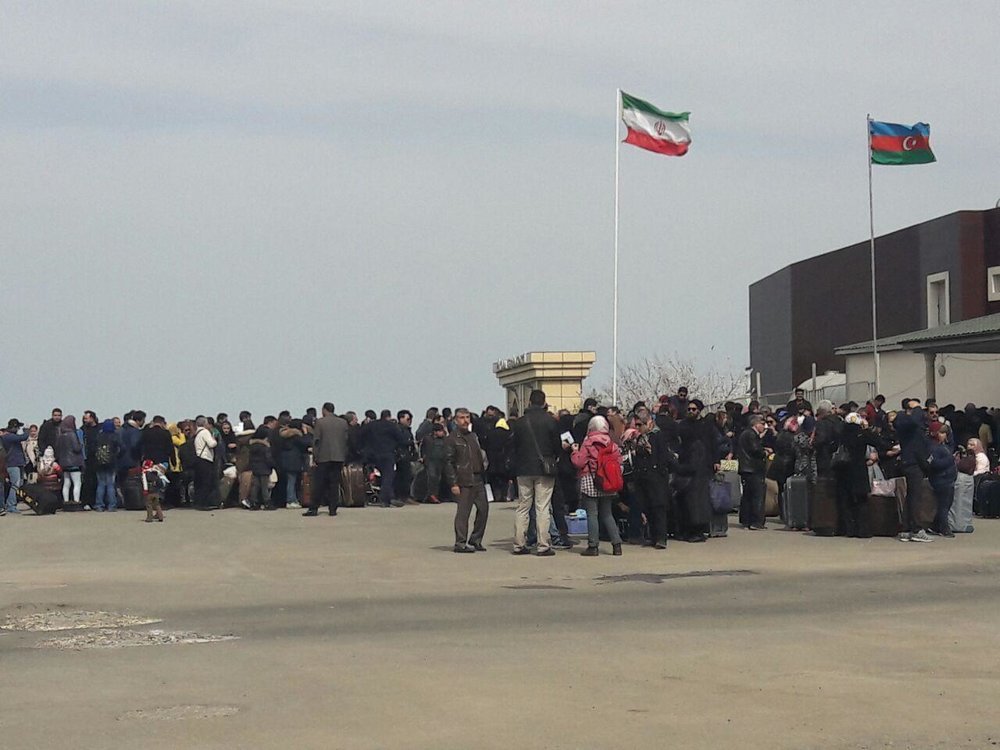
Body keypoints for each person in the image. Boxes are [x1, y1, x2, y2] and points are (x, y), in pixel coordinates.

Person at [510, 389, 561, 556]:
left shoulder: (520, 422)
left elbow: (514, 446)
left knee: (523, 506)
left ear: (530, 402)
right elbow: (557, 446)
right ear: (544, 403)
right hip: (544, 469)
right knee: (542, 507)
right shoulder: (550, 421)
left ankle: (519, 544)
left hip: (523, 468)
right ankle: (543, 545)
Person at [571, 415, 623, 556]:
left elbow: (579, 462)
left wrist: (574, 451)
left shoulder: (588, 442)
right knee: (607, 514)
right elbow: (619, 462)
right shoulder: (611, 443)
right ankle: (617, 545)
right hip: (607, 480)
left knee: (592, 514)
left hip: (591, 480)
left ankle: (593, 546)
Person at [625, 411, 676, 549]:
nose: (638, 428)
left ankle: (661, 538)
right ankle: (652, 536)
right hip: (643, 477)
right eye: (636, 425)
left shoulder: (658, 436)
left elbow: (663, 457)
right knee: (647, 507)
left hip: (656, 478)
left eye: (640, 425)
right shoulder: (640, 438)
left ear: (648, 423)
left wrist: (651, 453)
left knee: (658, 508)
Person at [444, 408, 489, 553]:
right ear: (456, 420)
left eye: (467, 417)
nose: (465, 420)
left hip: (478, 478)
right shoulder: (452, 439)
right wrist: (453, 483)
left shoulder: (473, 436)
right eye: (462, 418)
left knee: (483, 510)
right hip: (463, 480)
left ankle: (476, 539)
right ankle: (460, 542)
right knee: (463, 513)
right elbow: (448, 463)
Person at [894, 398, 933, 543]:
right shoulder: (906, 421)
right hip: (913, 462)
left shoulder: (910, 425)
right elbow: (913, 421)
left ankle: (906, 529)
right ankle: (916, 529)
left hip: (913, 462)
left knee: (911, 495)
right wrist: (916, 408)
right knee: (916, 496)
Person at [304, 402, 348, 517]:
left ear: (324, 410)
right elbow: (345, 440)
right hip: (338, 457)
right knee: (334, 484)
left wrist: (315, 456)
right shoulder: (343, 422)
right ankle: (333, 509)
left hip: (324, 457)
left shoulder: (320, 422)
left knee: (319, 483)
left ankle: (314, 508)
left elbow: (316, 441)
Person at [366, 409, 407, 508]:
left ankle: (389, 496)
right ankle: (385, 499)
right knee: (388, 476)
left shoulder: (372, 425)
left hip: (373, 455)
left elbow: (362, 436)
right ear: (388, 416)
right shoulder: (391, 426)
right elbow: (401, 439)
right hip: (387, 454)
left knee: (381, 476)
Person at [737, 415, 769, 530]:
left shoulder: (745, 434)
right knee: (757, 495)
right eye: (762, 424)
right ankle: (756, 521)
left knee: (747, 495)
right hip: (753, 468)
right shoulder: (751, 434)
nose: (764, 427)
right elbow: (755, 450)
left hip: (746, 468)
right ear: (756, 424)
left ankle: (746, 520)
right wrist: (764, 452)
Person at [926, 424, 957, 538]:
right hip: (940, 479)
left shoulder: (945, 446)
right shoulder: (932, 447)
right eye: (941, 433)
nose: (944, 435)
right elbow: (934, 464)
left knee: (947, 504)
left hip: (949, 478)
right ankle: (944, 529)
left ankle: (935, 526)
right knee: (944, 504)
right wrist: (950, 459)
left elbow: (952, 442)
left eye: (945, 433)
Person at [279, 418, 312, 509]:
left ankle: (293, 499)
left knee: (291, 481)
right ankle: (290, 500)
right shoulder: (296, 436)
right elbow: (307, 442)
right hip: (294, 461)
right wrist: (306, 433)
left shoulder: (286, 436)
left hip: (286, 461)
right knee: (292, 481)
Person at [55, 415, 86, 507]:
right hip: (74, 462)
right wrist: (81, 445)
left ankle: (66, 501)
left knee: (66, 483)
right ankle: (76, 501)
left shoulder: (61, 435)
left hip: (64, 463)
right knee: (77, 483)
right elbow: (76, 448)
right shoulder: (72, 434)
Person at [92, 419, 121, 511]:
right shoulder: (115, 436)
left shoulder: (98, 436)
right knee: (110, 484)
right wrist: (116, 455)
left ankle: (99, 505)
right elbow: (122, 448)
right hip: (111, 463)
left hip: (99, 463)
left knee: (100, 484)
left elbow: (93, 449)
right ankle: (111, 505)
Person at [1, 419, 29, 515]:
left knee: (19, 483)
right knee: (15, 484)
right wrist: (26, 430)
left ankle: (10, 503)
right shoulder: (8, 436)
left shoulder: (9, 436)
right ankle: (11, 505)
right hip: (12, 463)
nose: (18, 429)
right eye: (17, 427)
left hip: (17, 463)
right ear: (14, 427)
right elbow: (23, 437)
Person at [191, 416, 219, 509]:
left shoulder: (197, 433)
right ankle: (204, 503)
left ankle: (197, 502)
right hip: (206, 459)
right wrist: (214, 439)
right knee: (206, 482)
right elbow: (211, 444)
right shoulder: (205, 432)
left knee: (199, 482)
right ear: (204, 423)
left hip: (198, 458)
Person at [247, 426, 275, 510]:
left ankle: (254, 502)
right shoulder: (265, 447)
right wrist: (273, 465)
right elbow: (268, 459)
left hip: (255, 468)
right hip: (264, 468)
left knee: (255, 486)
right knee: (264, 487)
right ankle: (267, 503)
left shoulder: (252, 446)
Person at [419, 422, 448, 503]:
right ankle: (431, 495)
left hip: (441, 461)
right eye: (440, 431)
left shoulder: (445, 440)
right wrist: (422, 457)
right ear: (435, 432)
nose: (442, 433)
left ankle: (435, 495)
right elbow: (422, 448)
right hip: (430, 461)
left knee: (438, 479)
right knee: (432, 477)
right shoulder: (427, 439)